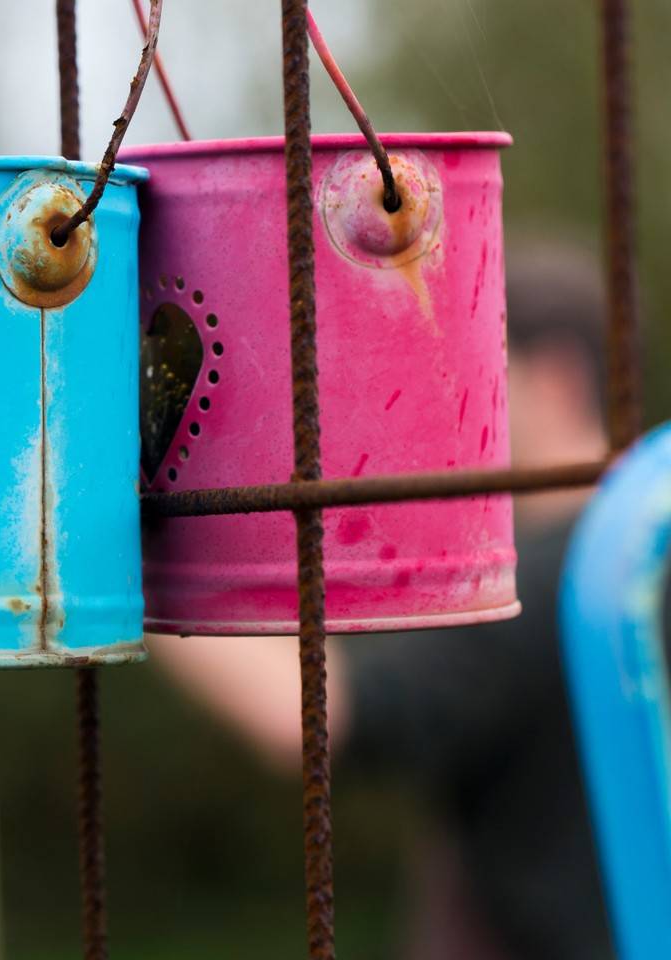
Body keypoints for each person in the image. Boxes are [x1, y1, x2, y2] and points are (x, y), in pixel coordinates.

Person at [149, 243, 616, 960]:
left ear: (557, 380)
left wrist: (129, 575)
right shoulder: (642, 540)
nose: (443, 396)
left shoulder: (563, 580)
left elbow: (309, 714)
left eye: (469, 363)